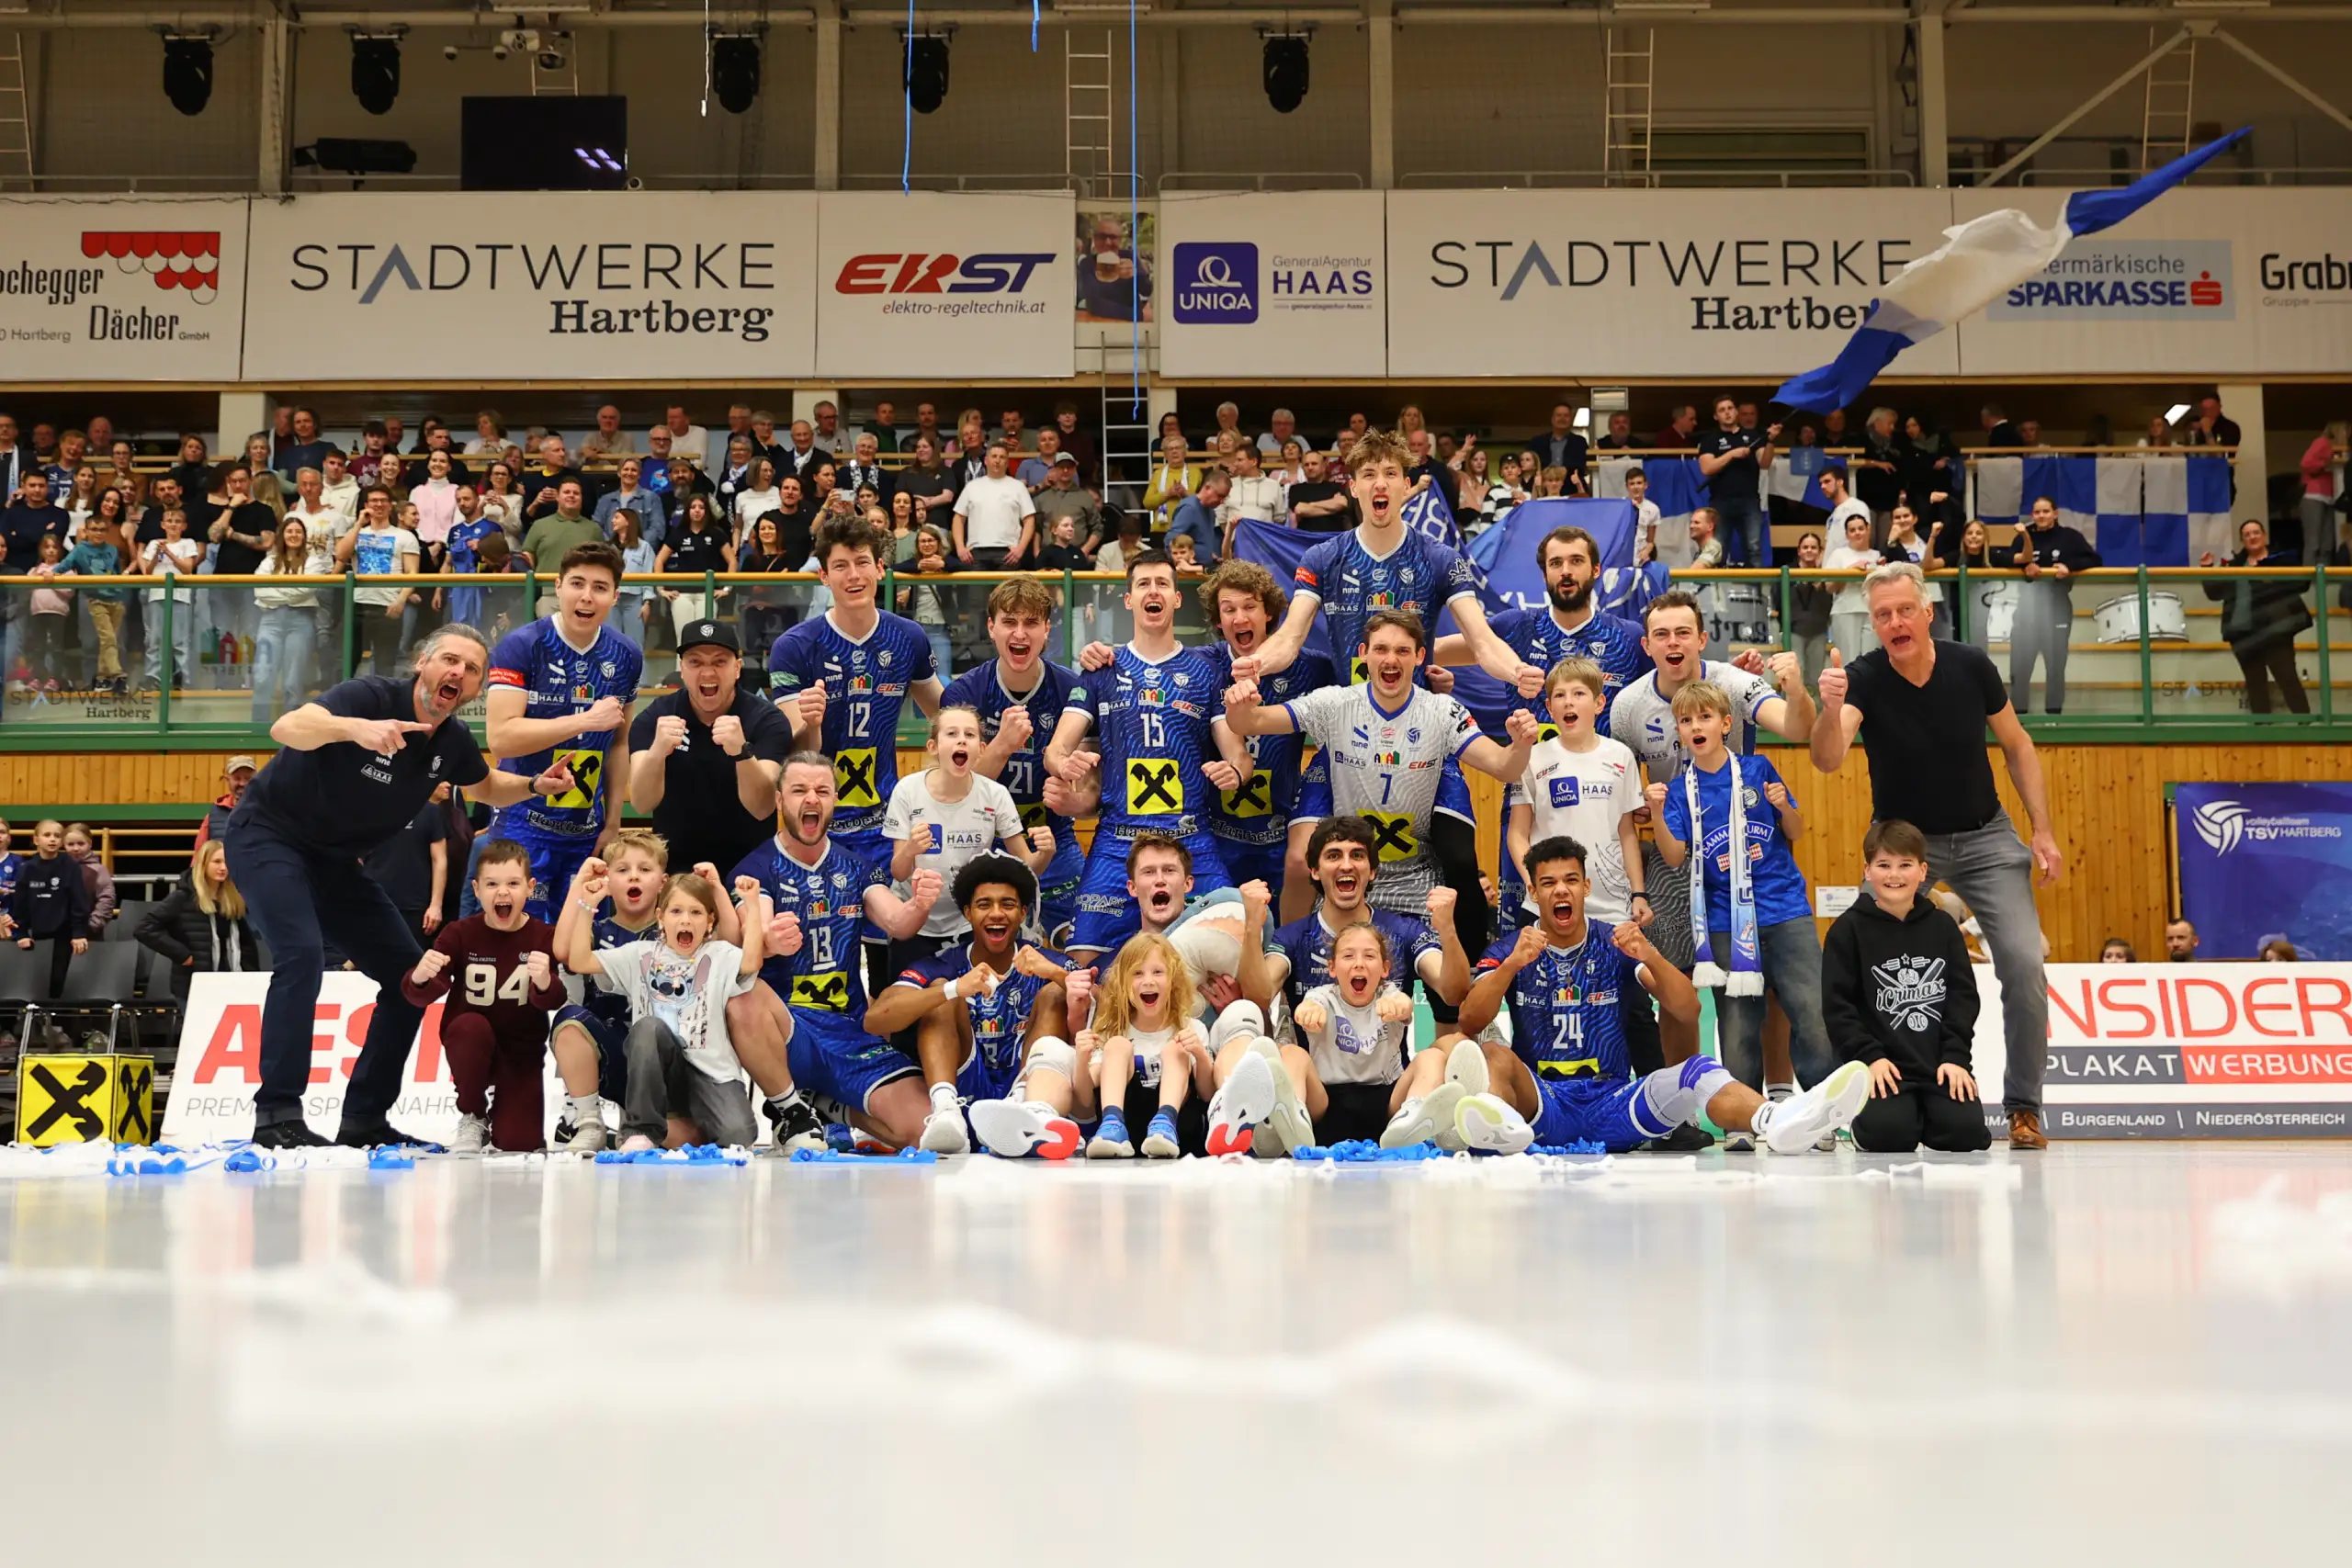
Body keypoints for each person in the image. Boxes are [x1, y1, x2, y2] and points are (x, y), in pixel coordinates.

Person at [221, 625, 575, 1147]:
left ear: (476, 690)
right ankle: (278, 1114)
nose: (458, 672)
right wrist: (352, 730)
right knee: (299, 957)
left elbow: (485, 783)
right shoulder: (369, 698)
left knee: (413, 979)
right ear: (423, 665)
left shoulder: (451, 741)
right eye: (449, 660)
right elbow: (289, 727)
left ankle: (365, 1117)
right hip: (269, 838)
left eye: (472, 669)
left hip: (335, 862)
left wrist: (534, 786)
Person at [1809, 561, 2062, 1150]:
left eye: (1904, 610)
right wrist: (1828, 707)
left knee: (2025, 967)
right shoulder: (1865, 678)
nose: (1895, 622)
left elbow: (2019, 746)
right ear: (1872, 624)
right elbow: (1826, 758)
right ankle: (1874, 1095)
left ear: (1927, 613)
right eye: (1882, 615)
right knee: (1865, 969)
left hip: (1986, 836)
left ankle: (2024, 1107)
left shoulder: (1970, 665)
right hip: (1901, 847)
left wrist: (2042, 830)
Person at [1455, 835, 1870, 1156]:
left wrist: (1648, 953)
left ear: (1586, 886)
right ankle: (1502, 1134)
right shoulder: (1512, 946)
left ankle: (1778, 1120)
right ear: (1533, 893)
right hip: (1542, 1105)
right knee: (1493, 1053)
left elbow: (1687, 1009)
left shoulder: (1615, 941)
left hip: (1613, 1102)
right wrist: (1512, 964)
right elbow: (1470, 1022)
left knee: (1697, 1068)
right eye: (1548, 883)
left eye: (1569, 881)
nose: (1560, 891)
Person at [1608, 591, 1817, 1063]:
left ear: (1702, 639)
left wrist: (1797, 691)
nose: (1673, 642)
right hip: (1674, 846)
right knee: (1676, 979)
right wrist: (1642, 806)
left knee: (1771, 974)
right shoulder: (1627, 705)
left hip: (1745, 847)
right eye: (1661, 634)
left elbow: (1796, 727)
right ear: (1647, 645)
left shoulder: (1735, 683)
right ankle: (1684, 1098)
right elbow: (1615, 775)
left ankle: (1781, 1090)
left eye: (1683, 632)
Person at [1045, 549, 1253, 964]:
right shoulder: (1101, 667)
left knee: (1237, 947)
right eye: (1143, 584)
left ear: (1177, 598)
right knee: (1081, 958)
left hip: (1188, 838)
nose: (1152, 591)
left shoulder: (1204, 671)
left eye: (1162, 583)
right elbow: (1055, 750)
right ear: (1128, 600)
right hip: (1118, 838)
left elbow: (1240, 758)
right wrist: (1063, 764)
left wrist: (1234, 773)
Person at [1649, 682, 1835, 1137]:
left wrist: (1781, 807)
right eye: (1687, 721)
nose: (1696, 726)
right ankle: (1743, 1121)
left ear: (1725, 724)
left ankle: (1821, 1117)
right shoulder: (1679, 790)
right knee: (1736, 1026)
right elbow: (1674, 857)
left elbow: (1796, 828)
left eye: (1705, 718)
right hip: (1722, 921)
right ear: (1680, 731)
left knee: (1811, 1014)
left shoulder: (1757, 768)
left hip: (1786, 909)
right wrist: (1655, 813)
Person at [730, 754, 944, 1149]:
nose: (811, 798)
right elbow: (750, 928)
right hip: (789, 1030)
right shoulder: (757, 868)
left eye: (821, 791)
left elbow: (897, 923)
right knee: (742, 994)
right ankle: (789, 1107)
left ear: (834, 800)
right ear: (779, 802)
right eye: (799, 790)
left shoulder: (857, 867)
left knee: (923, 1130)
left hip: (849, 1028)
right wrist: (769, 940)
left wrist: (920, 904)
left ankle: (828, 1106)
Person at [765, 514, 945, 904]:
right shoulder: (794, 647)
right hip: (816, 827)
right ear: (824, 577)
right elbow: (794, 752)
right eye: (840, 566)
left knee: (889, 945)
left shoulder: (907, 637)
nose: (854, 575)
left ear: (880, 568)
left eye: (862, 562)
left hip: (886, 826)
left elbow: (943, 715)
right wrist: (811, 723)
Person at [864, 855, 1085, 1156]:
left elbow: (1112, 1007)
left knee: (1057, 993)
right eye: (984, 905)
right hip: (964, 1087)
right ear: (968, 913)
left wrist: (1057, 974)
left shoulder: (1048, 960)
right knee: (940, 991)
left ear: (1022, 913)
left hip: (1032, 1089)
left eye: (1007, 904)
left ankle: (1025, 1106)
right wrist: (956, 988)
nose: (996, 914)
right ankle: (945, 1110)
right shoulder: (943, 963)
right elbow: (875, 1020)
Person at [474, 542, 639, 923]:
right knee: (521, 940)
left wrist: (613, 821)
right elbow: (500, 737)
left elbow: (619, 742)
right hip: (522, 824)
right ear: (558, 586)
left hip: (586, 831)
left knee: (581, 947)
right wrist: (583, 720)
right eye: (577, 584)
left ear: (615, 597)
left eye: (599, 587)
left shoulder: (626, 654)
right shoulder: (522, 645)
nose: (586, 596)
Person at [565, 865, 768, 1151]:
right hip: (662, 1068)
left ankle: (688, 1128)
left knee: (739, 1136)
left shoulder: (719, 954)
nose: (685, 920)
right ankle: (641, 1130)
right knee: (648, 1027)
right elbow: (579, 961)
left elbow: (752, 961)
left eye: (696, 913)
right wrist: (587, 906)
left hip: (710, 1072)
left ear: (710, 920)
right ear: (660, 917)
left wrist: (752, 905)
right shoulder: (640, 954)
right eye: (676, 912)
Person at [1822, 819, 1991, 1155]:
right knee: (1889, 1137)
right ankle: (1872, 1121)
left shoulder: (1943, 928)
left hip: (1938, 1066)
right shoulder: (1847, 931)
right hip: (1882, 1068)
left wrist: (1956, 1058)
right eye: (1883, 865)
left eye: (1905, 865)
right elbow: (1838, 1007)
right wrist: (1869, 1057)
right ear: (1868, 871)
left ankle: (1928, 1114)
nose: (1894, 875)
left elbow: (1963, 999)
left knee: (1966, 1135)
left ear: (1923, 871)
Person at [940, 577, 1088, 942]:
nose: (1019, 633)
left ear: (1047, 630)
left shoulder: (1072, 690)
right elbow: (954, 786)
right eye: (1009, 622)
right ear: (991, 628)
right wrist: (1002, 745)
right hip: (982, 843)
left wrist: (1077, 798)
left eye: (1031, 623)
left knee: (1080, 945)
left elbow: (1092, 787)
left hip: (1054, 842)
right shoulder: (965, 694)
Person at [400, 839, 568, 1153]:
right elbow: (417, 996)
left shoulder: (544, 936)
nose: (502, 892)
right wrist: (420, 976)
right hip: (472, 1045)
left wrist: (545, 981)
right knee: (468, 1027)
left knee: (520, 1144)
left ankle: (502, 1112)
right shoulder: (459, 934)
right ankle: (473, 1112)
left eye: (513, 883)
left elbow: (555, 1000)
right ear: (476, 890)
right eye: (492, 884)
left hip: (521, 1054)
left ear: (530, 887)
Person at [882, 705, 1057, 964]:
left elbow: (1029, 867)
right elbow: (898, 872)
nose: (961, 739)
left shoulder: (995, 794)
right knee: (910, 998)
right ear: (933, 747)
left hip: (968, 923)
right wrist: (910, 850)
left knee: (967, 998)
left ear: (981, 750)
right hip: (915, 921)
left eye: (970, 735)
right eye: (951, 733)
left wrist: (1046, 853)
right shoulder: (907, 790)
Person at [627, 618, 790, 870]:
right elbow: (641, 802)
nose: (707, 672)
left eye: (719, 662)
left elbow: (763, 807)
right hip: (676, 873)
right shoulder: (655, 718)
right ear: (682, 668)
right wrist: (657, 752)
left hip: (751, 870)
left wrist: (742, 753)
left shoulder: (767, 720)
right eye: (695, 662)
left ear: (737, 668)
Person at [2203, 519, 2312, 716]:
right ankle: (2262, 731)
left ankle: (2306, 726)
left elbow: (2303, 583)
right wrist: (2207, 568)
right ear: (2242, 540)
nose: (2252, 537)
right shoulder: (2235, 566)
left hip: (2276, 630)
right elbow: (2214, 593)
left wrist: (2273, 580)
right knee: (2255, 684)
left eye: (2255, 533)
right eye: (2247, 534)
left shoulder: (2282, 560)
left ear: (2264, 536)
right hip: (2242, 632)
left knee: (2287, 678)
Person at [2007, 495, 2100, 715]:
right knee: (2020, 666)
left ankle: (2053, 715)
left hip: (2057, 606)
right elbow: (2007, 559)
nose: (2041, 516)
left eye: (2046, 512)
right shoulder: (2023, 536)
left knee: (2055, 666)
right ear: (2032, 515)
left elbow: (2095, 560)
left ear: (2055, 514)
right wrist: (2024, 566)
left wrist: (2070, 566)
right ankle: (2019, 716)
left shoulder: (2070, 537)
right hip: (2026, 610)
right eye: (2037, 512)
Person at [135, 840, 258, 1004]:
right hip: (194, 984)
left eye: (227, 862)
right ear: (203, 863)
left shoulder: (233, 898)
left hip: (231, 983)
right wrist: (182, 955)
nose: (223, 868)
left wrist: (251, 975)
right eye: (217, 862)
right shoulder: (183, 897)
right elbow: (144, 929)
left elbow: (246, 944)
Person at [338, 486, 421, 676]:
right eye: (374, 501)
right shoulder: (357, 533)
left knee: (385, 665)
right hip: (357, 604)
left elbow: (412, 573)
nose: (378, 504)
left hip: (387, 605)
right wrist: (358, 524)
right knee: (346, 662)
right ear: (366, 505)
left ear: (390, 505)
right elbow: (341, 555)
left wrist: (400, 600)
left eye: (383, 500)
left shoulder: (404, 536)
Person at [11, 819, 91, 998]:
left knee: (59, 981)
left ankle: (59, 1024)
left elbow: (79, 901)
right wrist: (22, 933)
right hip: (36, 937)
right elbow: (20, 904)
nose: (53, 839)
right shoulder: (27, 868)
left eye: (57, 836)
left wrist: (79, 932)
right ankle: (36, 1023)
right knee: (36, 984)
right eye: (47, 835)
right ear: (36, 840)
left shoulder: (70, 866)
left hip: (64, 935)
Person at [1695, 394, 1778, 566]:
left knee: (1753, 547)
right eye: (1722, 410)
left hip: (1749, 500)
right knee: (1717, 549)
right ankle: (1713, 590)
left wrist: (1770, 441)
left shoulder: (1752, 435)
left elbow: (1765, 462)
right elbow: (1707, 468)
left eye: (1730, 408)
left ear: (1736, 412)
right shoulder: (1710, 440)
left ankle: (1759, 592)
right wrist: (1732, 454)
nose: (1727, 413)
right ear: (1716, 416)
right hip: (1720, 502)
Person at [363, 784, 450, 942]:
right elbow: (356, 859)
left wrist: (436, 905)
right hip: (374, 901)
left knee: (413, 964)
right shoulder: (369, 811)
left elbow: (440, 860)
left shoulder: (431, 811)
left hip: (415, 905)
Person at [1824, 506, 1883, 661]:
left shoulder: (1876, 555)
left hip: (1872, 611)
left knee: (1872, 659)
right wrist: (1850, 570)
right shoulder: (1838, 554)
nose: (1857, 533)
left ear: (1868, 529)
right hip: (1845, 610)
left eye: (1861, 528)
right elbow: (1829, 587)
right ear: (1847, 534)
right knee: (1849, 661)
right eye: (1852, 530)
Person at [1790, 532, 1833, 695]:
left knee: (1816, 679)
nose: (1809, 550)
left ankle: (1814, 717)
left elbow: (1828, 603)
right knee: (1795, 676)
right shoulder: (1787, 572)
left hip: (1818, 631)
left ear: (1819, 551)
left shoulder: (1826, 576)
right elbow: (1780, 599)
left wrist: (1818, 582)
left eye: (1813, 547)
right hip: (1793, 631)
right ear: (1799, 551)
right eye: (1805, 547)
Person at [61, 824, 114, 940]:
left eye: (81, 844)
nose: (76, 848)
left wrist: (93, 924)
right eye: (70, 844)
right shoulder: (57, 868)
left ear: (89, 844)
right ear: (64, 845)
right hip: (60, 933)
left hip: (89, 934)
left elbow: (106, 898)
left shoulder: (99, 870)